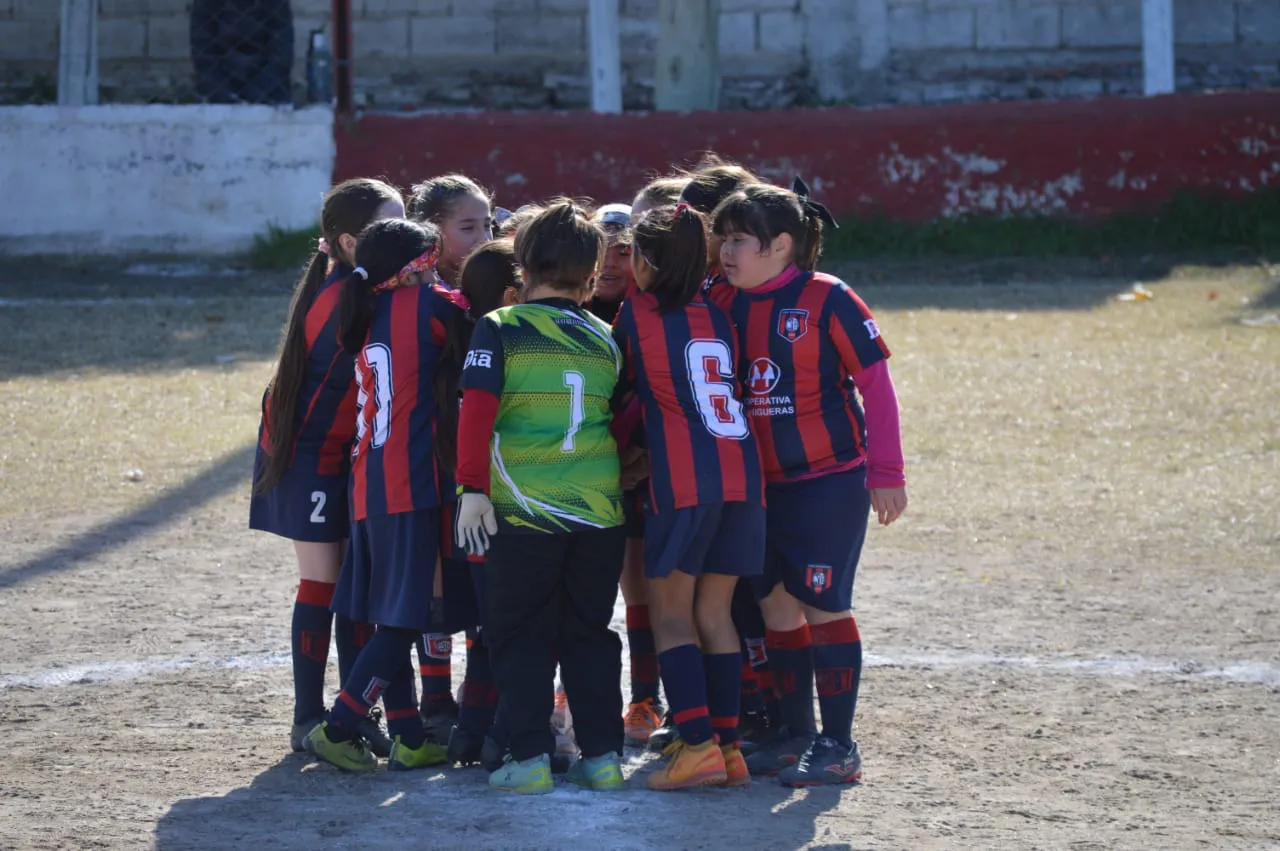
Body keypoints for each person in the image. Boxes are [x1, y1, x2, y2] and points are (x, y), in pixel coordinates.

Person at [709, 182, 907, 787]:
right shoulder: (719, 300)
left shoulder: (829, 298)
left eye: (740, 240)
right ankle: (794, 734)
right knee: (773, 606)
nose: (726, 252)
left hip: (827, 482)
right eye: (724, 239)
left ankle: (838, 744)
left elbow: (876, 386)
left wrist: (887, 472)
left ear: (783, 245)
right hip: (754, 488)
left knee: (823, 605)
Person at [455, 201, 628, 795]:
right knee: (590, 633)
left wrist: (470, 487)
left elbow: (476, 411)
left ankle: (528, 758)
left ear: (523, 265)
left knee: (520, 633)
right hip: (601, 512)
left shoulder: (500, 327)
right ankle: (603, 757)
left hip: (525, 512)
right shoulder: (606, 336)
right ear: (591, 272)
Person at [303, 218, 469, 772]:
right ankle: (339, 726)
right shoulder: (427, 307)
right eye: (433, 262)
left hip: (370, 484)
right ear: (416, 267)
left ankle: (409, 735)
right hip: (410, 483)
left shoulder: (367, 309)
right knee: (405, 620)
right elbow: (479, 333)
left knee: (392, 613)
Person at [612, 202, 766, 790]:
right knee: (715, 613)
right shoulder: (718, 311)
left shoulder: (638, 310)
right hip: (741, 476)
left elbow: (621, 392)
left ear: (646, 263)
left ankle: (696, 745)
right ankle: (728, 749)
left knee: (671, 615)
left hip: (683, 480)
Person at [250, 178, 402, 757]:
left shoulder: (363, 285)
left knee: (354, 580)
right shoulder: (349, 296)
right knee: (325, 580)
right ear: (346, 241)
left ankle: (351, 706)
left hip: (346, 452)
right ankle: (309, 718)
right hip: (308, 453)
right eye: (385, 226)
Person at [190, 0, 293, 104]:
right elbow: (203, 55)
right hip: (221, 78)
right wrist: (225, 94)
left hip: (267, 83)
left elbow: (282, 56)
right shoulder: (206, 3)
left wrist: (256, 92)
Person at [407, 174, 495, 287]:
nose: (485, 239)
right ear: (433, 231)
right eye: (468, 228)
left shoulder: (502, 287)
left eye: (487, 226)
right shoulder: (417, 295)